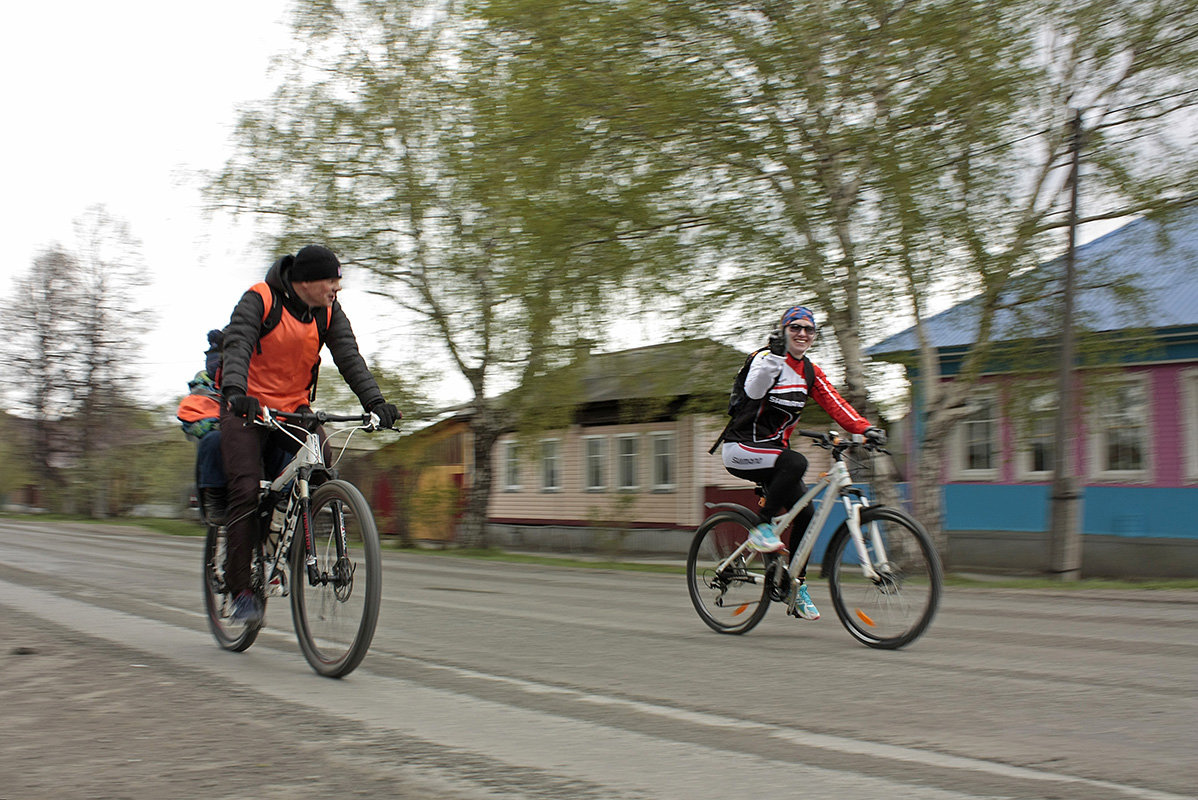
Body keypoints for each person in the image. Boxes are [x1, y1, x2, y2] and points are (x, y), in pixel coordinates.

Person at [220, 244, 400, 625]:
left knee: (321, 466)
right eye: (333, 281)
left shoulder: (329, 313)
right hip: (247, 409)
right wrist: (236, 392)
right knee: (246, 489)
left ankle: (284, 539)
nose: (337, 289)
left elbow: (350, 359)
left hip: (293, 410)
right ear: (308, 281)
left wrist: (377, 402)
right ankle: (241, 592)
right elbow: (237, 346)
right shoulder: (260, 299)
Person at [720, 305, 885, 620]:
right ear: (783, 331)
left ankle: (797, 586)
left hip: (773, 458)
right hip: (741, 448)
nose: (802, 334)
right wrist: (775, 356)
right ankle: (760, 526)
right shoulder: (764, 359)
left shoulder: (810, 372)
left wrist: (866, 428)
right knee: (796, 461)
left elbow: (836, 404)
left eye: (809, 330)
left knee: (807, 512)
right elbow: (754, 390)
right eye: (795, 327)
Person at [175, 330, 227, 524]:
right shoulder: (203, 389)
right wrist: (214, 426)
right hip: (220, 441)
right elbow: (190, 420)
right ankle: (214, 497)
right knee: (214, 439)